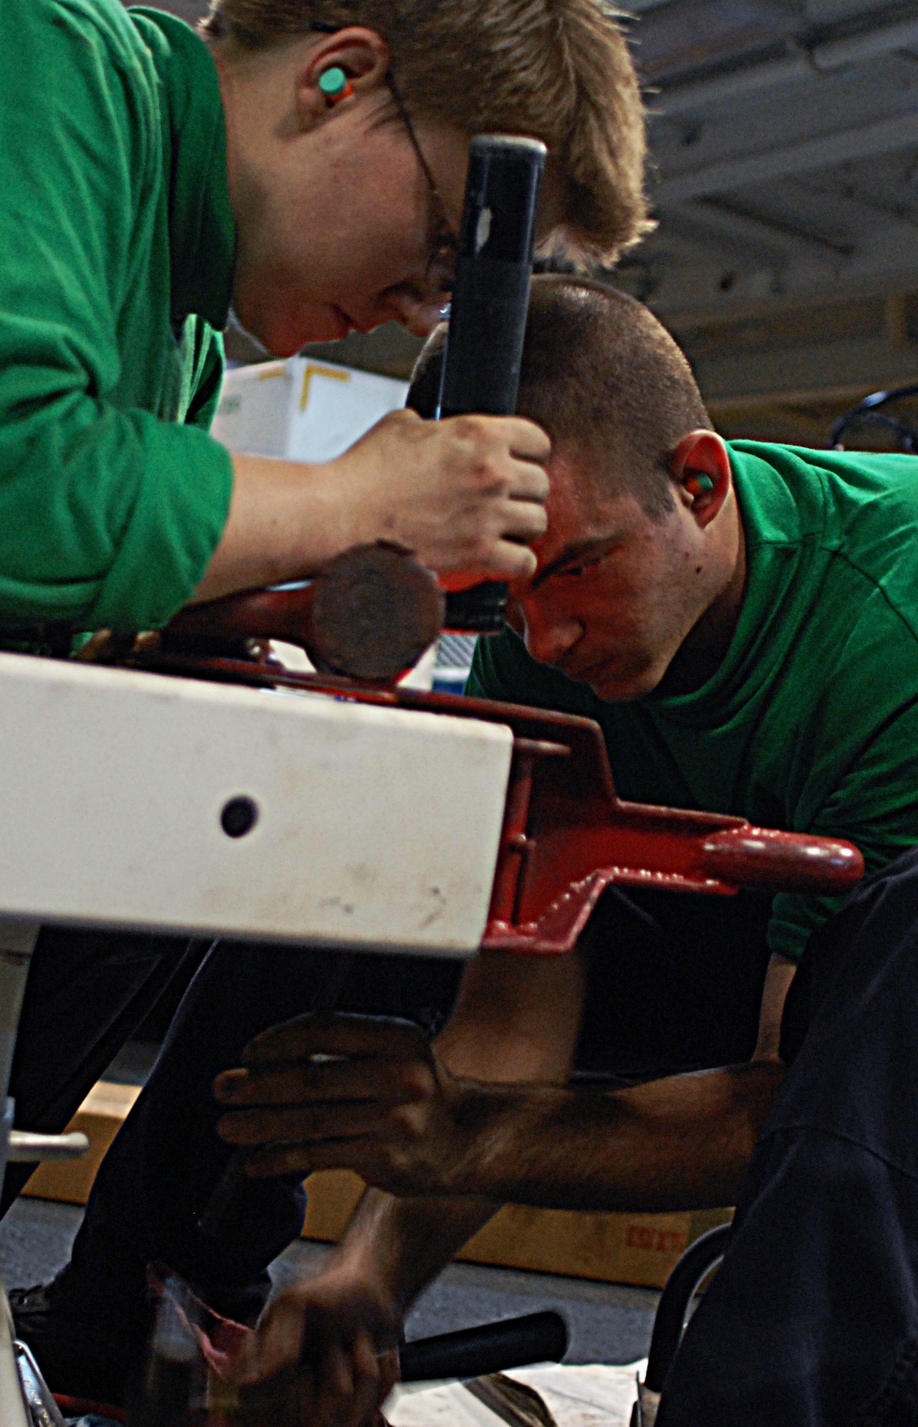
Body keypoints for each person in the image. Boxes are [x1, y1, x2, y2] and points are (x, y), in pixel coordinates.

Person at [0, 0, 651, 1409]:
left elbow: (72, 593)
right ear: (339, 78)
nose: (422, 310)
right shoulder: (37, 49)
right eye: (445, 248)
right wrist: (345, 496)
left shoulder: (180, 327)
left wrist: (263, 591)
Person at [213, 276, 918, 1425]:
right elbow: (512, 1012)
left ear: (698, 482)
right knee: (368, 865)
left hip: (885, 1001)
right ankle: (146, 1297)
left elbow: (818, 1103)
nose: (546, 636)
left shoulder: (887, 634)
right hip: (794, 960)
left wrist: (477, 1133)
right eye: (503, 596)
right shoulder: (540, 647)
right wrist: (366, 1281)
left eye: (579, 568)